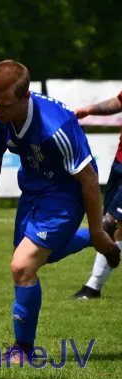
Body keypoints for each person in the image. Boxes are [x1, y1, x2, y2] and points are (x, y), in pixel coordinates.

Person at [0, 60, 120, 364]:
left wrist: (97, 228)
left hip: (65, 195)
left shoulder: (56, 125)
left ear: (25, 97)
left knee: (22, 267)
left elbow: (87, 178)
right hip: (33, 191)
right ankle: (91, 237)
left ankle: (23, 349)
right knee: (39, 257)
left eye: (3, 105)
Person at [71, 91, 122, 299]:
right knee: (114, 230)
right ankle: (93, 288)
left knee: (108, 224)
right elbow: (119, 102)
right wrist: (89, 110)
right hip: (119, 163)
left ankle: (92, 286)